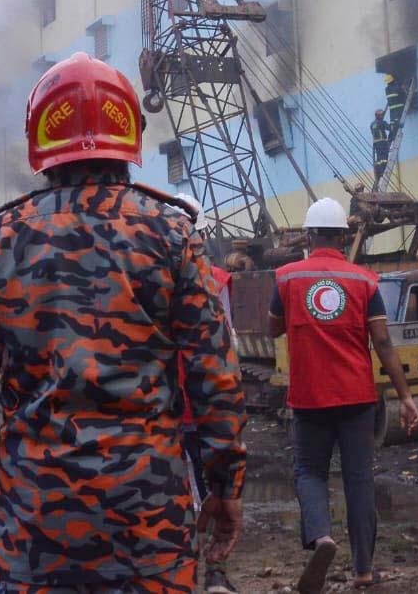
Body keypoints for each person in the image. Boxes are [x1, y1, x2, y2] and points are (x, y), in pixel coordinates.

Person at [0, 52, 246, 594]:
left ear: (41, 142)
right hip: (149, 523)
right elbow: (214, 373)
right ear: (130, 137)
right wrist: (225, 484)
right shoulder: (173, 236)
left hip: (37, 523)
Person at [270, 198, 418, 593]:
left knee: (309, 472)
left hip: (308, 398)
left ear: (308, 235)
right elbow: (384, 342)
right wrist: (405, 397)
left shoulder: (286, 278)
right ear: (344, 235)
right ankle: (364, 572)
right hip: (357, 397)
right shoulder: (364, 281)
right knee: (359, 481)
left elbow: (270, 329)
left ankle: (321, 537)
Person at [171, 192, 239, 594]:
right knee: (217, 487)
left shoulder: (142, 270)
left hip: (166, 405)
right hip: (205, 402)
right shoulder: (216, 278)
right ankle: (214, 573)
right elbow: (224, 344)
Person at [369, 109, 391, 190]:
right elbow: (389, 128)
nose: (382, 116)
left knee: (379, 159)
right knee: (384, 159)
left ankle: (379, 172)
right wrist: (393, 125)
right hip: (382, 142)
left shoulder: (372, 124)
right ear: (379, 116)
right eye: (381, 115)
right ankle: (383, 172)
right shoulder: (381, 123)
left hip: (376, 144)